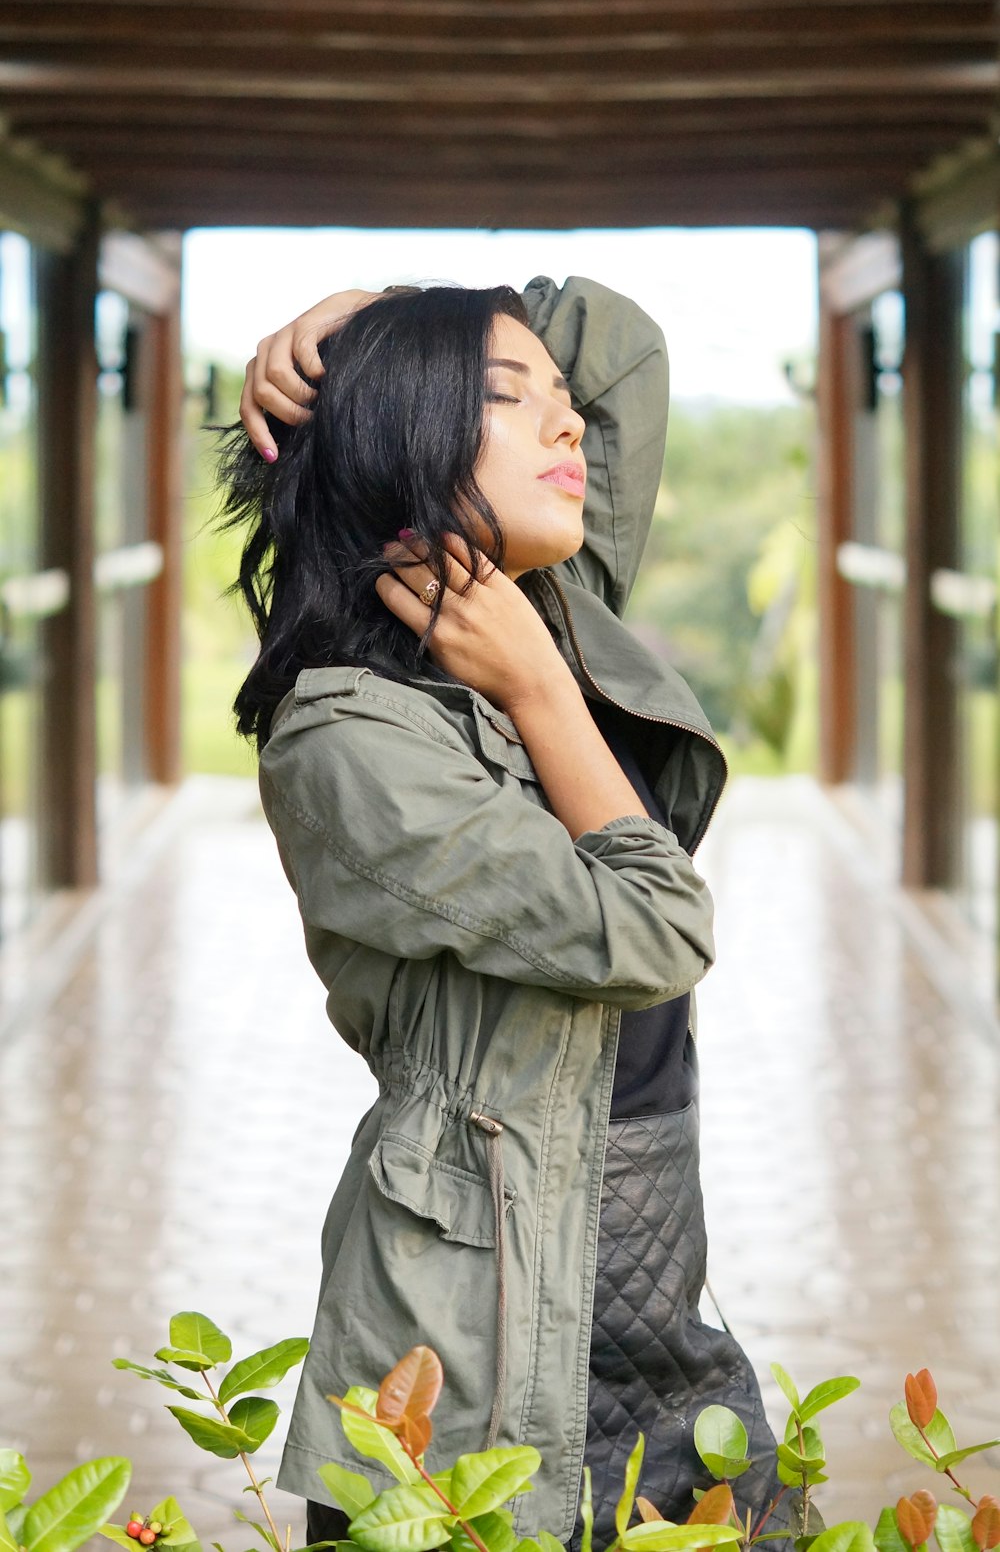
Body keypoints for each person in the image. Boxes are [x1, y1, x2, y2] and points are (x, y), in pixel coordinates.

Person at [224, 277, 798, 1552]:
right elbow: (654, 930)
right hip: (472, 1331)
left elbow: (622, 345)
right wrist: (542, 689)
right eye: (504, 398)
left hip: (644, 1277)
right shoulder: (349, 736)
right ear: (398, 437)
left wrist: (358, 315)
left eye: (558, 399)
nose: (570, 425)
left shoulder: (542, 601)